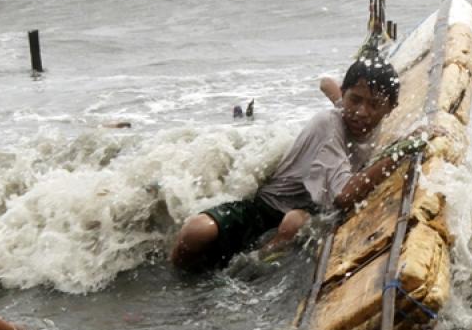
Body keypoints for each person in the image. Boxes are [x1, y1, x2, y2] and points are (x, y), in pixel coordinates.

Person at [171, 56, 410, 272]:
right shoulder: (329, 124)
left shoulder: (353, 112)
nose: (361, 112)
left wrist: (341, 97)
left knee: (294, 222)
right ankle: (188, 277)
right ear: (345, 94)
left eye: (374, 104)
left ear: (391, 108)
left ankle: (247, 271)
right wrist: (402, 151)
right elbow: (343, 196)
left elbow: (326, 84)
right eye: (354, 100)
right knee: (196, 230)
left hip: (305, 212)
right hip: (266, 207)